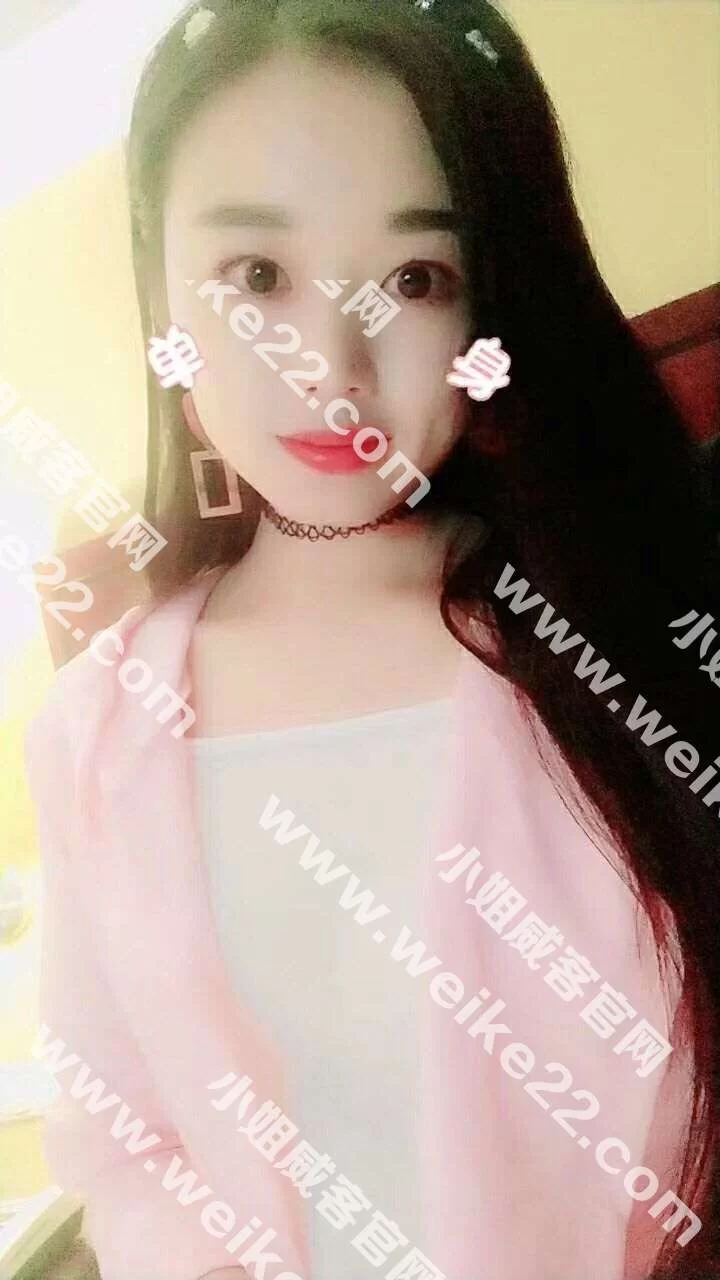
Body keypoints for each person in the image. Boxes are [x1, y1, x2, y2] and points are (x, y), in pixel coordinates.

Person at [25, 2, 720, 1278]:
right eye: (255, 277)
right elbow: (123, 1135)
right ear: (164, 294)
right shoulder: (101, 724)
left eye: (413, 279)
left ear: (491, 307)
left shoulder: (628, 627)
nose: (327, 363)